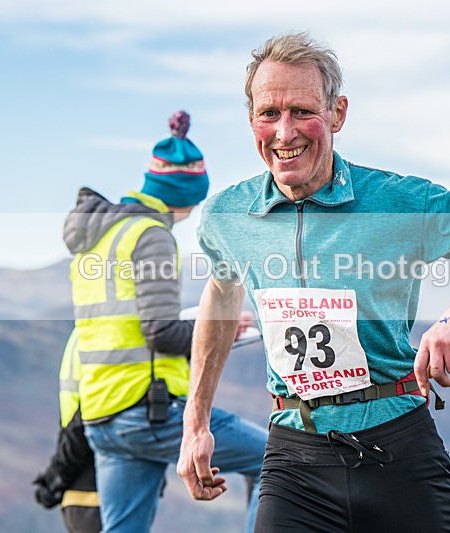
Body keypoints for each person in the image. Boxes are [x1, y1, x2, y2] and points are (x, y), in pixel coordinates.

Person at [177, 33, 450, 532]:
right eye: (269, 113)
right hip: (294, 460)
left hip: (398, 447)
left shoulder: (403, 202)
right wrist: (195, 423)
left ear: (337, 114)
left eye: (302, 111)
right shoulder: (227, 216)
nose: (285, 132)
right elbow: (221, 295)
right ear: (251, 121)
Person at [63, 111, 268, 532]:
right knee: (277, 462)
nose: (195, 210)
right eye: (196, 199)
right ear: (184, 193)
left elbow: (122, 324)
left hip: (101, 415)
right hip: (148, 410)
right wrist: (224, 328)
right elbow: (160, 332)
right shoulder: (151, 235)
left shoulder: (102, 237)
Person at [33, 329, 101, 533]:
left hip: (85, 496)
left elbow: (77, 426)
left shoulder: (85, 334)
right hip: (92, 496)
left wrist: (55, 479)